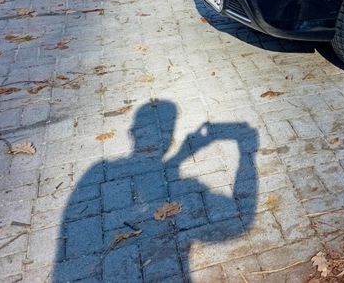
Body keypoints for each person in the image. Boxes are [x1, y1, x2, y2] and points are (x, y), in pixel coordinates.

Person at [53, 100, 258, 281]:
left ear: (131, 132)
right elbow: (240, 221)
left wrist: (179, 158)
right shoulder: (189, 186)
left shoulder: (96, 171)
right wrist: (246, 154)